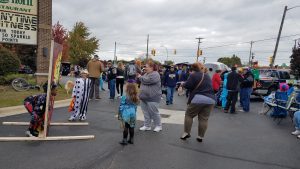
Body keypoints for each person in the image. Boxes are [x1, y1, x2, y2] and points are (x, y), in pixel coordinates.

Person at [180, 62, 215, 142]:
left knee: (189, 115)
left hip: (198, 99)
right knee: (204, 119)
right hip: (210, 99)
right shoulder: (207, 75)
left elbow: (188, 85)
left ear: (193, 69)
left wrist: (183, 84)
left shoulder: (193, 75)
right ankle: (200, 136)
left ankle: (186, 133)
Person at [138, 61, 162, 132]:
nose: (145, 68)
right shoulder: (145, 74)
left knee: (154, 112)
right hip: (144, 97)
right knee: (145, 113)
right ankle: (147, 125)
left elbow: (148, 81)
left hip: (153, 98)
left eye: (146, 66)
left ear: (151, 67)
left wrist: (140, 77)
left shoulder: (155, 74)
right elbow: (143, 81)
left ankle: (158, 126)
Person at [118, 80, 139, 145]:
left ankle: (124, 140)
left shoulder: (125, 96)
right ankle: (131, 139)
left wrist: (120, 113)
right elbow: (136, 106)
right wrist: (134, 112)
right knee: (132, 126)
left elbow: (121, 105)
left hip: (126, 112)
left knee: (126, 127)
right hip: (133, 112)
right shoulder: (136, 96)